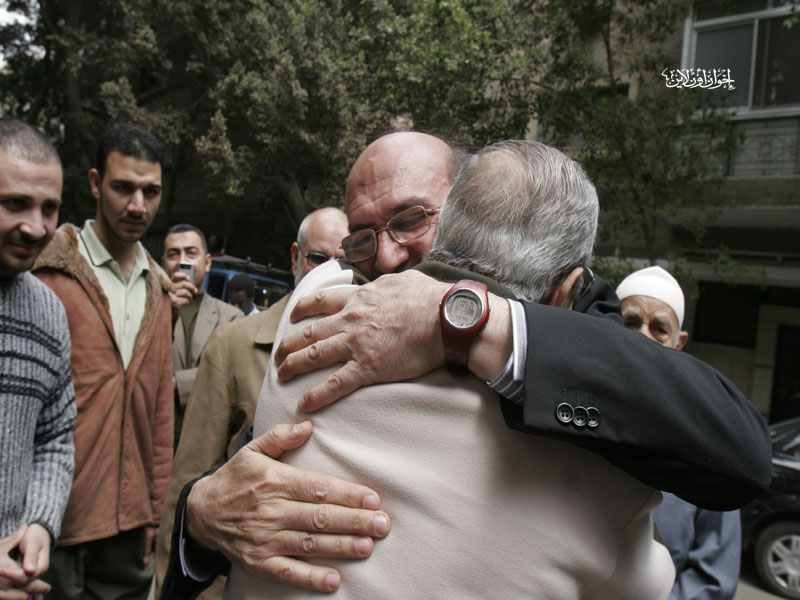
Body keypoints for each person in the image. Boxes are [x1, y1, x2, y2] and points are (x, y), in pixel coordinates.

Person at [175, 132, 770, 595]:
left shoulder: (577, 377)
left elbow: (731, 442)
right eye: (361, 237)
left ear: (466, 209)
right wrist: (197, 518)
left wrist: (462, 320)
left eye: (412, 219)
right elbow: (240, 475)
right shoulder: (322, 309)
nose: (388, 257)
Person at [155, 206, 348, 600]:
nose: (331, 271)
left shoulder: (368, 351)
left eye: (344, 261)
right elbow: (190, 487)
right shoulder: (233, 345)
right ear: (295, 258)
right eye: (318, 258)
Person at [33, 123, 174, 600]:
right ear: (95, 183)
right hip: (53, 517)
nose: (138, 205)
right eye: (123, 187)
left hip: (129, 527)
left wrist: (153, 512)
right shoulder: (50, 275)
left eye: (150, 192)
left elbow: (160, 414)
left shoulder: (159, 292)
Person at [616, 266, 741, 600]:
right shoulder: (574, 417)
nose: (642, 337)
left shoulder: (711, 447)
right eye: (630, 323)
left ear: (678, 342)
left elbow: (713, 581)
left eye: (658, 328)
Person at [0, 118, 76, 599]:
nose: (36, 227)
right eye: (15, 204)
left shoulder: (48, 312)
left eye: (49, 208)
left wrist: (40, 524)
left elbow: (55, 436)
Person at [162, 223, 243, 442]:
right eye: (173, 254)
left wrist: (177, 383)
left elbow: (230, 373)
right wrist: (165, 312)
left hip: (204, 439)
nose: (182, 261)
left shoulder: (231, 318)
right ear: (163, 264)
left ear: (207, 263)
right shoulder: (147, 310)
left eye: (191, 253)